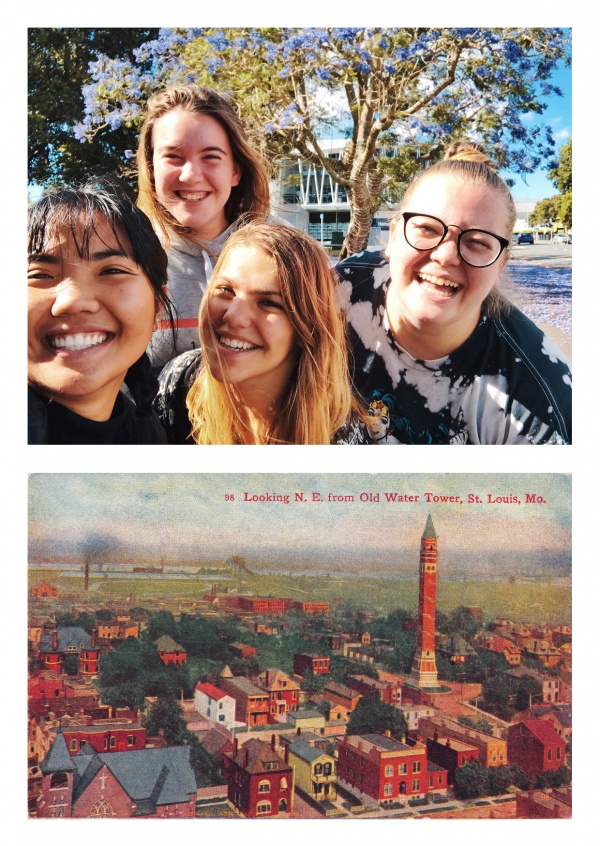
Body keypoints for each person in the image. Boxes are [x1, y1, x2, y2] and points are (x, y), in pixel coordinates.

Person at [336, 141, 572, 444]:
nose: (446, 256)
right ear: (394, 236)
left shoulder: (538, 403)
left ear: (500, 265)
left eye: (477, 241)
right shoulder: (340, 289)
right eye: (427, 229)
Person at [155, 222, 369, 444]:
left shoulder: (340, 437)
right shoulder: (178, 382)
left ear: (307, 327)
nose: (233, 316)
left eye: (269, 303)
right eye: (226, 290)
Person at [137, 84, 271, 368]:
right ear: (151, 168)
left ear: (235, 171)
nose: (191, 175)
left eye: (211, 157)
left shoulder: (282, 254)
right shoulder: (126, 259)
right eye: (173, 157)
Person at [28, 186, 174, 444]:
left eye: (111, 271)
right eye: (40, 275)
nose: (72, 301)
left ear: (157, 307)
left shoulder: (149, 433)